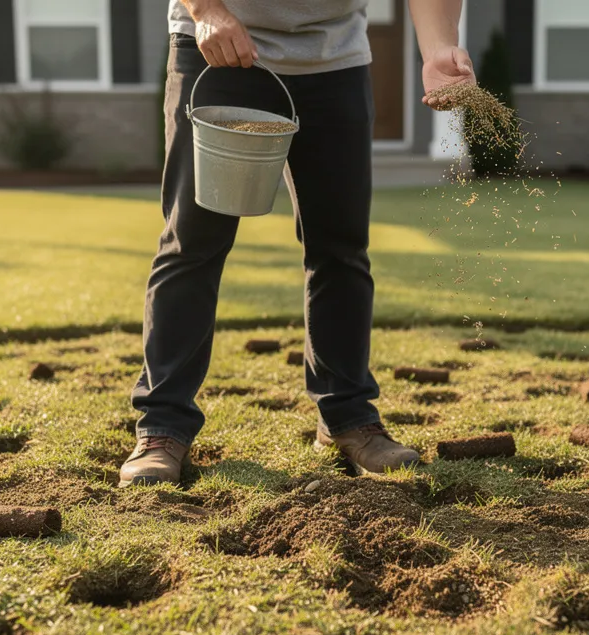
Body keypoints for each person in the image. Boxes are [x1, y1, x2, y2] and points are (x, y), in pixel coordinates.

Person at [121, 0, 476, 487]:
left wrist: (438, 48)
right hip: (222, 46)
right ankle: (162, 427)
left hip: (334, 59)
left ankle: (346, 419)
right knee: (193, 243)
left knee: (341, 247)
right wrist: (204, 9)